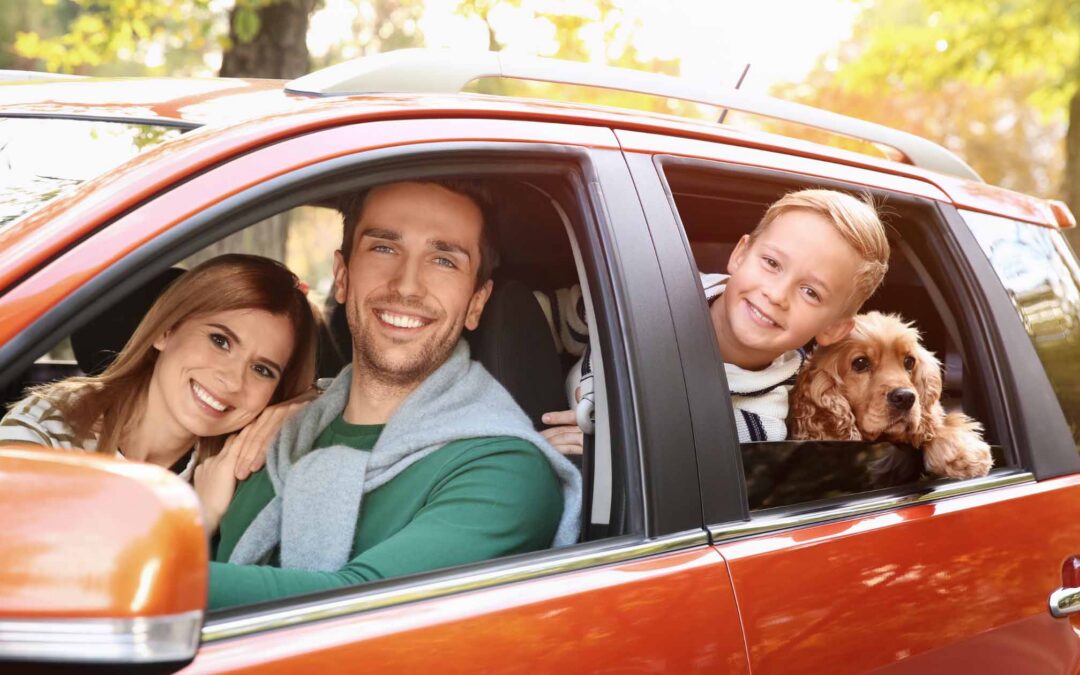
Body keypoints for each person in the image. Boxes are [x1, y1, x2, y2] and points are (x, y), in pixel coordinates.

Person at [205, 179, 582, 609]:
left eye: (443, 260)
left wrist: (125, 569)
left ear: (476, 303)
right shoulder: (272, 434)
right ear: (343, 277)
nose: (407, 285)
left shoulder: (506, 471)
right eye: (384, 248)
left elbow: (347, 610)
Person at [539, 189, 890, 452]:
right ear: (740, 255)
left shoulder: (759, 425)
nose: (777, 295)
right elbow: (533, 320)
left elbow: (680, 477)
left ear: (833, 329)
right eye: (771, 264)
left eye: (811, 292)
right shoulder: (645, 294)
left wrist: (617, 451)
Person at [0, 253, 320, 504]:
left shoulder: (244, 462)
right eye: (220, 341)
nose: (233, 381)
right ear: (165, 330)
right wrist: (204, 518)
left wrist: (301, 408)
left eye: (262, 370)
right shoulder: (51, 425)